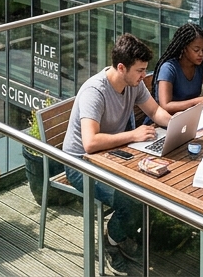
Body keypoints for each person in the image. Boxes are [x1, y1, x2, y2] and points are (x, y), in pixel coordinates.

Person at [62, 34, 174, 273]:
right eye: (140, 71)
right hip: (80, 164)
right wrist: (134, 135)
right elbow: (90, 143)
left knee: (155, 186)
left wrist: (180, 126)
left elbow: (155, 112)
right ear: (121, 67)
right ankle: (112, 241)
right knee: (131, 199)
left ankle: (124, 232)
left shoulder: (133, 83)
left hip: (113, 156)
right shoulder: (96, 91)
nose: (144, 76)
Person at [153, 23, 203, 115]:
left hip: (191, 117)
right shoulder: (168, 68)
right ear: (184, 48)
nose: (201, 54)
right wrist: (199, 101)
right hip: (167, 121)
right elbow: (165, 106)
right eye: (196, 50)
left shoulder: (201, 64)